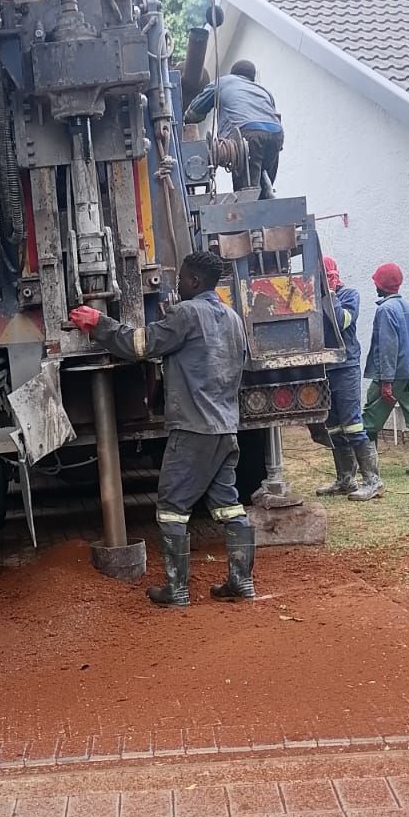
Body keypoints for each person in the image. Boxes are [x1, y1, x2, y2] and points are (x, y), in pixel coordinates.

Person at [70, 250, 253, 608]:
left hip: (192, 429)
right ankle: (241, 582)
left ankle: (176, 590)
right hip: (226, 428)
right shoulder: (232, 318)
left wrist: (99, 323)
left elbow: (141, 345)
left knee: (171, 507)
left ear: (195, 281)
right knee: (229, 507)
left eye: (182, 278)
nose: (178, 284)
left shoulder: (186, 314)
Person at [354, 262, 409, 496]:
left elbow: (388, 348)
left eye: (376, 282)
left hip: (390, 376)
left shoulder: (385, 310)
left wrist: (387, 381)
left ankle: (371, 474)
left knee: (369, 420)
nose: (374, 285)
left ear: (383, 284)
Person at [311, 256, 372, 498]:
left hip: (345, 367)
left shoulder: (348, 295)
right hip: (325, 369)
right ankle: (345, 479)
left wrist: (331, 294)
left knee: (353, 425)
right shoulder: (313, 298)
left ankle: (372, 480)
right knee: (334, 428)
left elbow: (340, 321)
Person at [184, 59, 284, 196]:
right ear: (252, 78)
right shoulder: (263, 90)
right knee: (263, 182)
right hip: (276, 133)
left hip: (246, 134)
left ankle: (254, 208)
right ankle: (267, 196)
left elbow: (194, 113)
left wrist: (186, 118)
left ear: (233, 73)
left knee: (246, 192)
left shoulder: (223, 82)